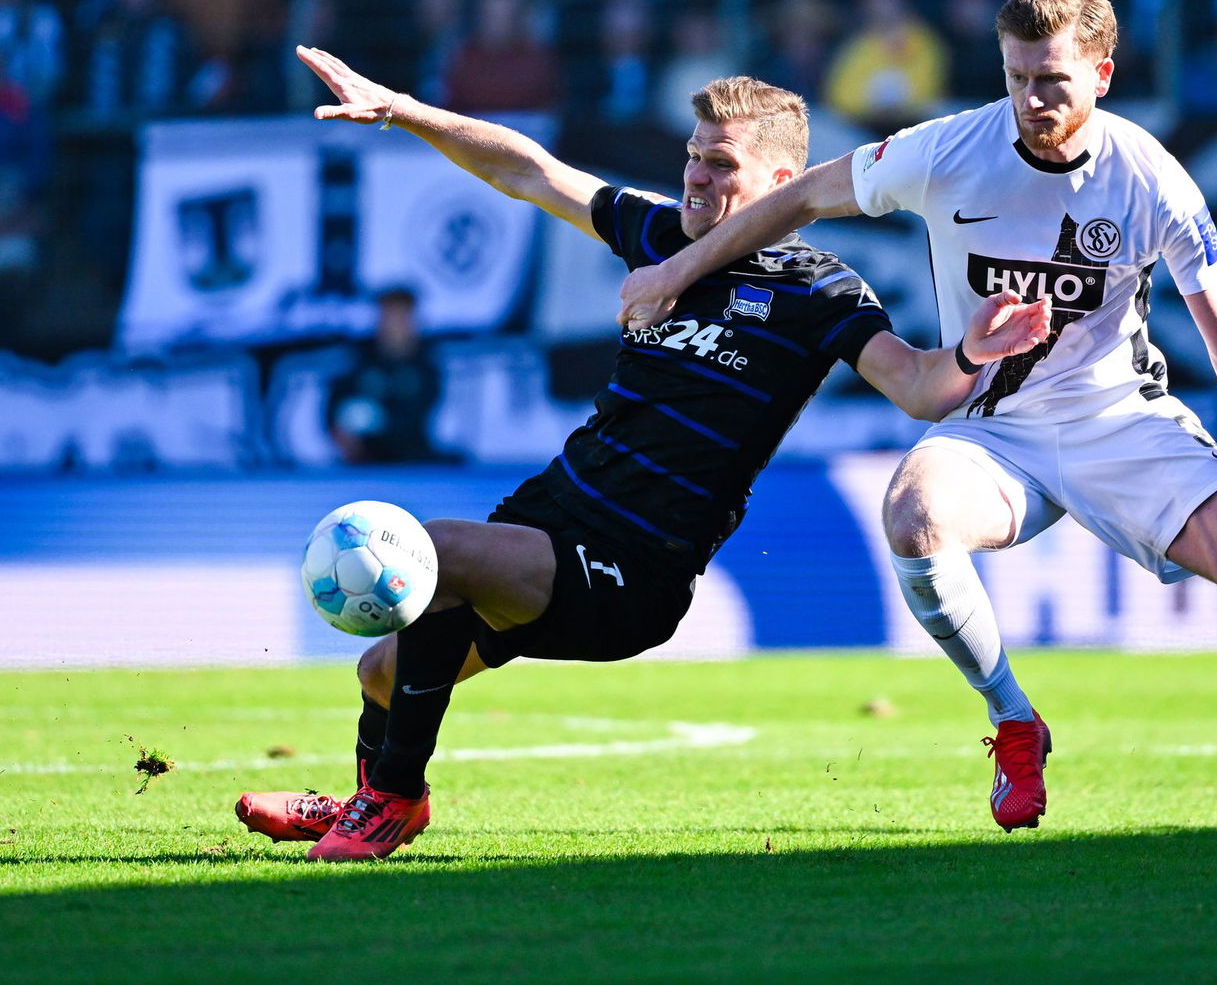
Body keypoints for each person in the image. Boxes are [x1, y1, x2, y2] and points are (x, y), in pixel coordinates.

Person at [618, 0, 1217, 850]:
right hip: (994, 433)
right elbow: (796, 198)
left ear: (1101, 74)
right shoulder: (945, 150)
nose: (1030, 99)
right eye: (1016, 76)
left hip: (1123, 427)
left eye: (1052, 79)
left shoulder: (1151, 177)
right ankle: (1016, 723)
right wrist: (675, 274)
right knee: (913, 516)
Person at [234, 46, 1052, 861]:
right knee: (382, 673)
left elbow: (914, 385)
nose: (695, 176)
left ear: (781, 185)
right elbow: (527, 171)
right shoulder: (660, 234)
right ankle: (373, 799)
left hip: (634, 564)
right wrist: (405, 108)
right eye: (692, 155)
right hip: (552, 516)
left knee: (430, 555)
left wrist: (976, 352)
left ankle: (389, 798)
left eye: (720, 162)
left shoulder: (819, 290)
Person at [324, 285, 453, 465]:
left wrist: (377, 422)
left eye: (402, 316)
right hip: (363, 464)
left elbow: (415, 416)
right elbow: (334, 407)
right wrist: (342, 432)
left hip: (413, 462)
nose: (396, 324)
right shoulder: (359, 361)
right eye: (390, 315)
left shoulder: (426, 366)